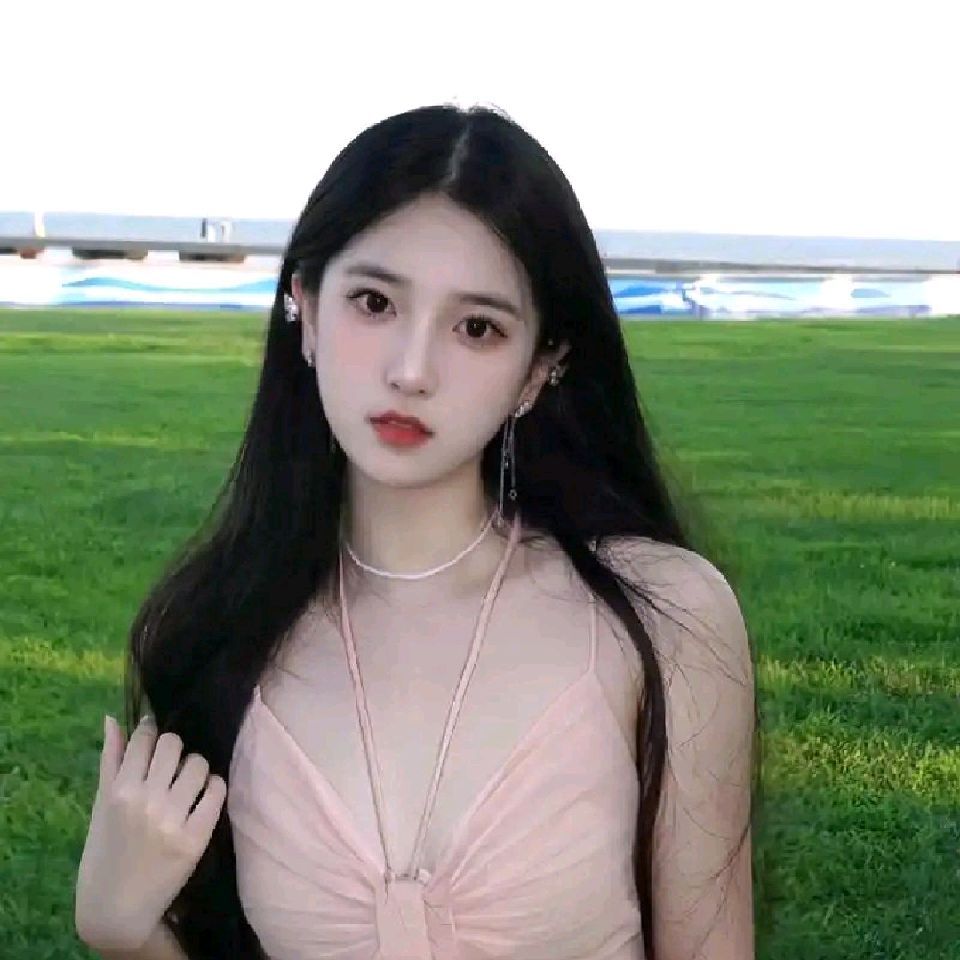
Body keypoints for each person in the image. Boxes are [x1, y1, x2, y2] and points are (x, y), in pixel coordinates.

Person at [75, 103, 758, 960]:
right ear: (305, 309)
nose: (411, 370)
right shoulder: (214, 636)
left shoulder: (664, 617)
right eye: (374, 302)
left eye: (477, 328)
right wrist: (127, 934)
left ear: (540, 368)